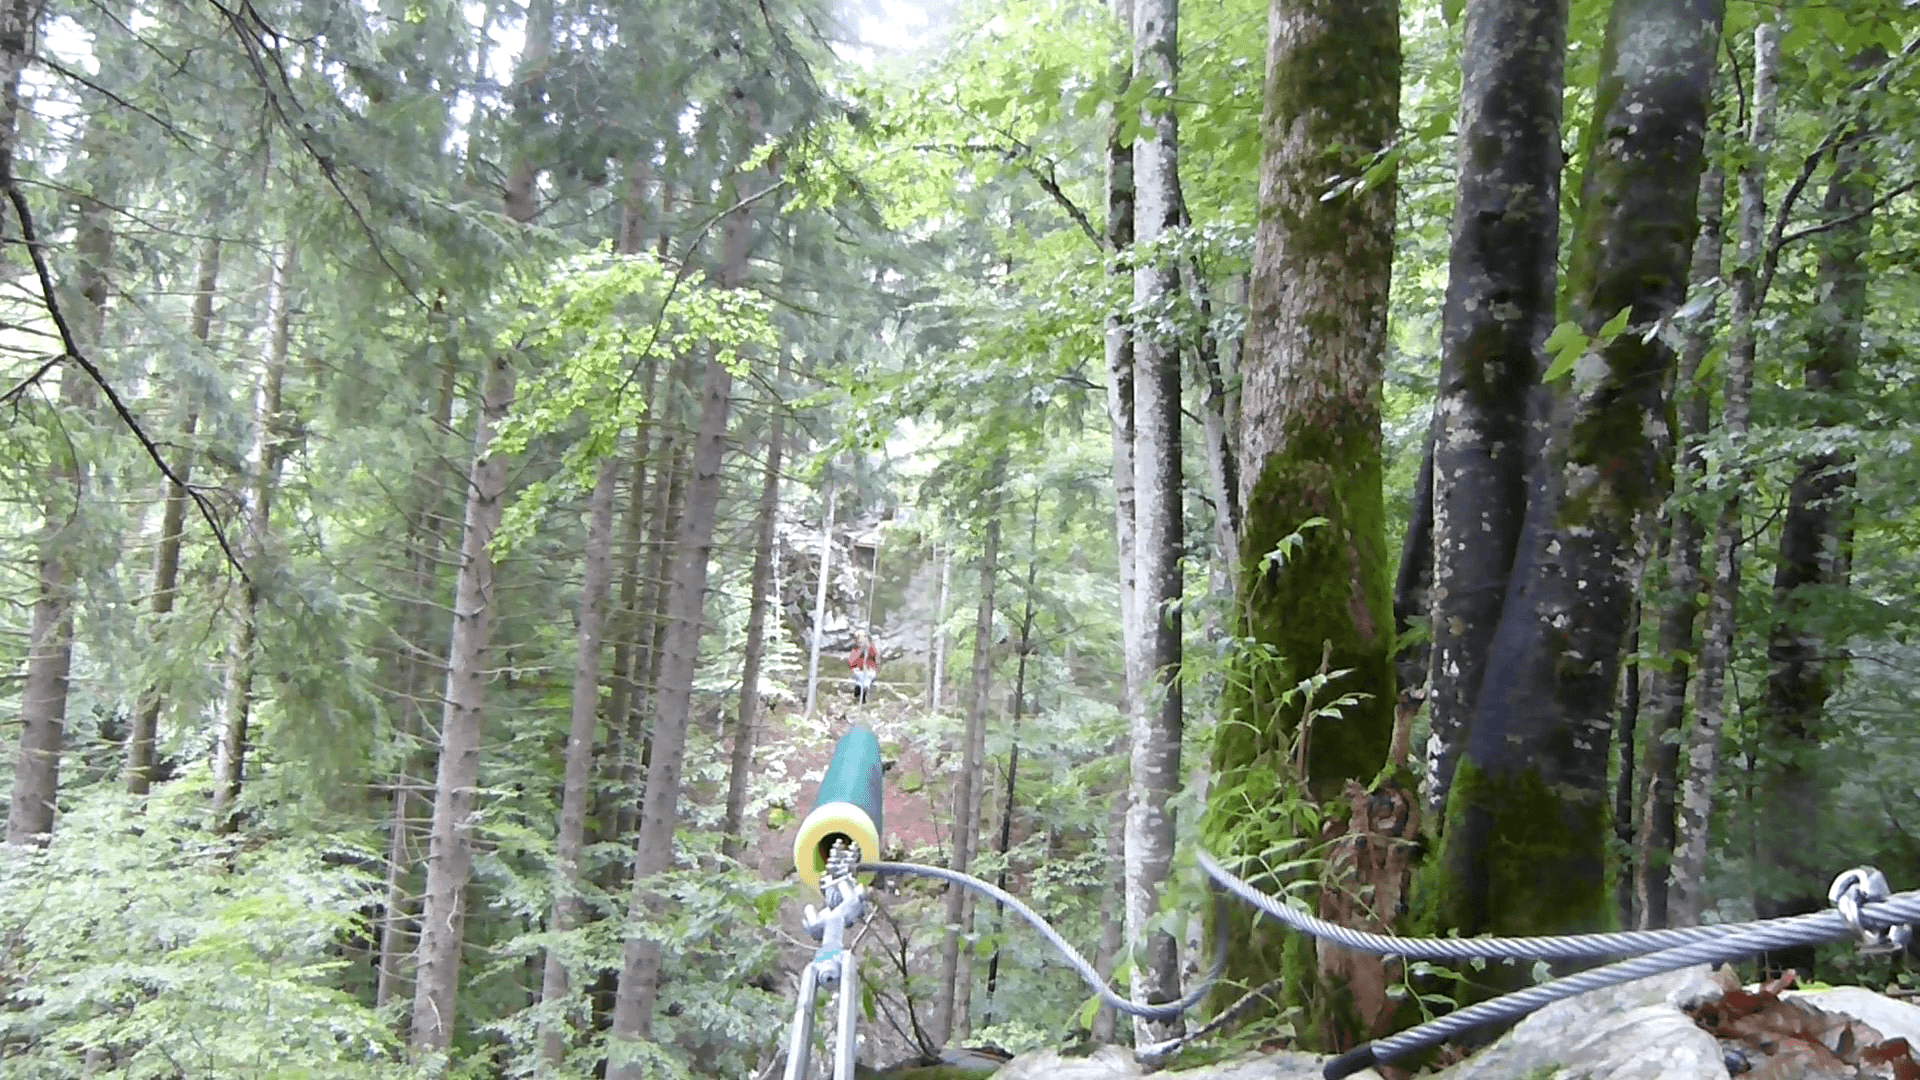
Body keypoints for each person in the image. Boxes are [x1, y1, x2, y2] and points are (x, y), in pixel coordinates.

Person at [848, 632, 879, 704]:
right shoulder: (855, 650)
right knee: (860, 677)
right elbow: (851, 662)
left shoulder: (871, 648)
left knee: (867, 677)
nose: (859, 640)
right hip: (859, 672)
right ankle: (860, 690)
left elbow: (875, 660)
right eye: (857, 638)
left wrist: (872, 668)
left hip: (869, 671)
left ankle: (863, 690)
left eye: (860, 637)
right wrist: (855, 667)